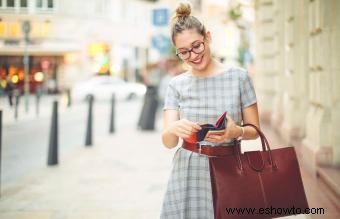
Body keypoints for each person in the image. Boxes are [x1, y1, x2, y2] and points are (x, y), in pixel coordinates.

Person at [160, 2, 260, 219]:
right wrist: (174, 128)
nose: (193, 56)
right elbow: (168, 142)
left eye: (197, 45)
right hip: (188, 172)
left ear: (208, 37)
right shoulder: (176, 85)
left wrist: (237, 132)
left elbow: (255, 130)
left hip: (230, 167)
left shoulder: (239, 77)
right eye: (184, 52)